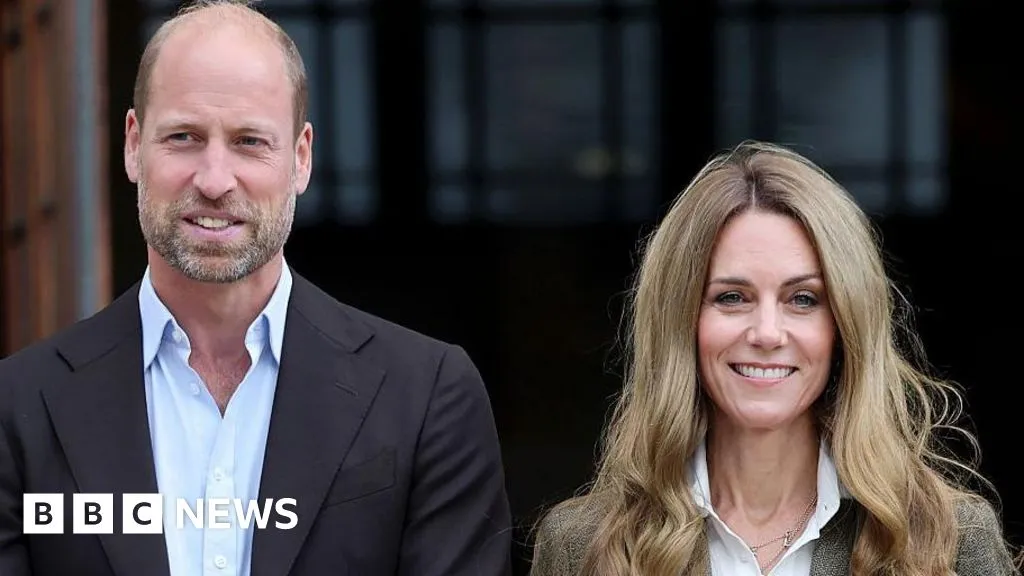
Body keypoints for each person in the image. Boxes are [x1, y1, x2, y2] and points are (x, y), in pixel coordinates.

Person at [0, 1, 512, 575]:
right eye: (184, 137)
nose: (215, 180)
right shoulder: (18, 407)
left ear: (300, 158)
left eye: (249, 141)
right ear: (132, 145)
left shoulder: (427, 397)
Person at [529, 141, 1018, 576]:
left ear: (845, 325)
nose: (766, 333)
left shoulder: (947, 538)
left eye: (803, 299)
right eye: (732, 297)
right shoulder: (582, 546)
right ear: (681, 322)